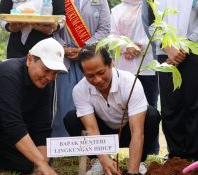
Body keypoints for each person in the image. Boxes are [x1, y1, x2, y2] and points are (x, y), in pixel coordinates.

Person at [0, 38, 67, 175]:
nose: (50, 77)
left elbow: (42, 127)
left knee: (26, 164)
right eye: (46, 70)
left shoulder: (46, 82)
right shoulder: (8, 73)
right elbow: (13, 125)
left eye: (55, 73)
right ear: (29, 60)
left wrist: (42, 165)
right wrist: (41, 164)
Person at [64, 45, 161, 175]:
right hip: (102, 134)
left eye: (101, 73)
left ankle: (138, 161)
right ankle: (96, 160)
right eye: (90, 76)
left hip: (127, 131)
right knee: (71, 118)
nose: (97, 80)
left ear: (110, 64)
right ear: (83, 73)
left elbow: (137, 131)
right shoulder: (80, 90)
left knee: (152, 115)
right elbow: (92, 129)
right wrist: (104, 158)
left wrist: (132, 172)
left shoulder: (130, 83)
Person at [155, 0, 198, 161]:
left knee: (195, 105)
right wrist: (168, 47)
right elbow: (152, 22)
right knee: (170, 105)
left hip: (197, 50)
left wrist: (182, 47)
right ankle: (175, 155)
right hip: (165, 52)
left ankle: (193, 155)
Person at [52, 0, 111, 137]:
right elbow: (51, 27)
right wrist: (63, 48)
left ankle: (93, 148)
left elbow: (105, 29)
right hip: (63, 59)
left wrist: (85, 50)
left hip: (91, 62)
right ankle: (63, 149)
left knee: (93, 102)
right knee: (63, 104)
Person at [111, 0, 160, 155]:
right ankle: (122, 149)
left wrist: (139, 46)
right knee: (122, 110)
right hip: (123, 69)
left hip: (148, 67)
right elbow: (111, 35)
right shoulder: (117, 10)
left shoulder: (152, 6)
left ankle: (149, 152)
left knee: (148, 109)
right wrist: (126, 46)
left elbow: (156, 30)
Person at [0, 0, 65, 58]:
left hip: (45, 45)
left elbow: (61, 18)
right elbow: (2, 18)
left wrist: (53, 28)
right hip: (16, 45)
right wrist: (11, 28)